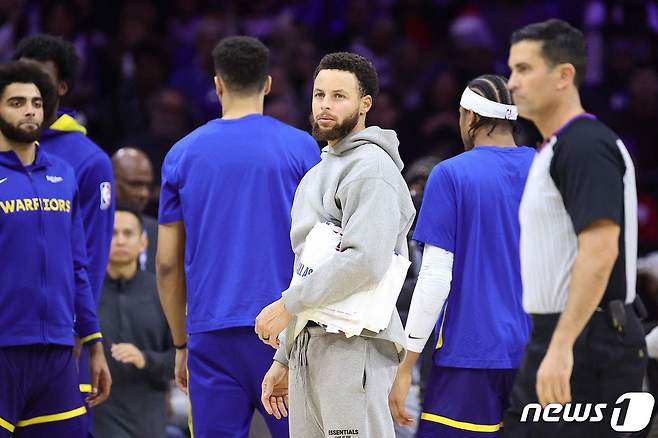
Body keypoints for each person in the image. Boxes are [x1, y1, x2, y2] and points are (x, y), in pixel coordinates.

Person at [156, 36, 320, 438]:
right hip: (288, 329)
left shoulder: (181, 154)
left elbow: (165, 264)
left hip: (211, 335)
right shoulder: (302, 148)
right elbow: (326, 249)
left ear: (217, 85)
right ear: (267, 84)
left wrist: (181, 344)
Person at [256, 52, 416, 438]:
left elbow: (366, 262)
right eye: (319, 95)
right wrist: (285, 355)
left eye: (338, 96)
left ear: (365, 105)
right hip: (310, 348)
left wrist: (286, 305)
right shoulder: (315, 173)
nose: (325, 105)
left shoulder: (373, 170)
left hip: (354, 345)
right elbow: (307, 270)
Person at [504, 19, 646, 437]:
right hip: (563, 333)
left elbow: (601, 250)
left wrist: (562, 345)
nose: (512, 83)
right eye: (511, 70)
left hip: (588, 339)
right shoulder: (558, 147)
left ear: (564, 75)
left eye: (525, 69)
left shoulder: (585, 146)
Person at [388, 74, 534, 437]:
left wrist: (407, 364)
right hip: (537, 353)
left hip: (468, 354)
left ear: (469, 116)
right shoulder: (545, 171)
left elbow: (435, 278)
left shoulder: (450, 174)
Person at [0, 60, 111, 437]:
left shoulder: (63, 175)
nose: (29, 109)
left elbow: (78, 267)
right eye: (16, 102)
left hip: (58, 351)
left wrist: (94, 342)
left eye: (35, 101)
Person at [94, 205, 174, 438]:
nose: (120, 240)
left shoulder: (162, 292)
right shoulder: (87, 292)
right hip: (99, 413)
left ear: (143, 242)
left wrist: (145, 359)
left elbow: (181, 358)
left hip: (149, 412)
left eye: (128, 233)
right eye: (112, 233)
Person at [111, 147, 158, 272]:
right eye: (135, 185)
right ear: (111, 181)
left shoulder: (159, 233)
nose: (144, 193)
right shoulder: (88, 229)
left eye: (148, 186)